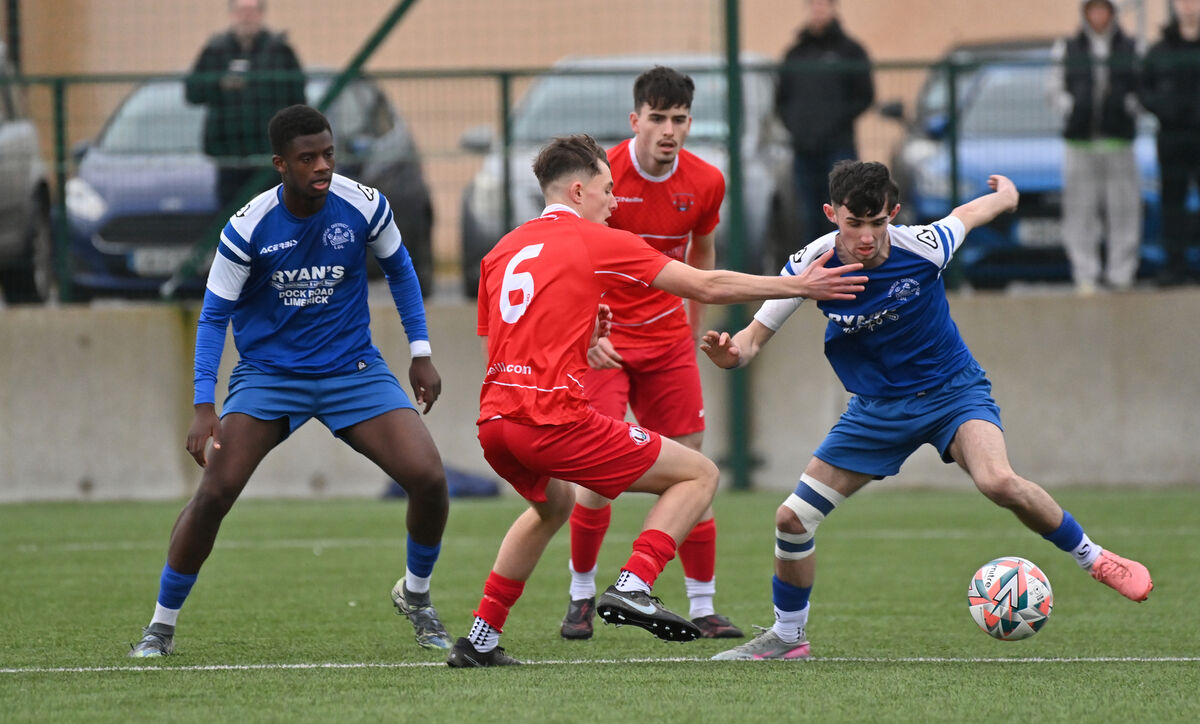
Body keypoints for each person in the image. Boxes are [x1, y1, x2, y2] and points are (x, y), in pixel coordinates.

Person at [702, 160, 1154, 662]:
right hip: (877, 411)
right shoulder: (812, 265)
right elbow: (751, 339)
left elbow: (970, 212)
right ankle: (788, 637)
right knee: (792, 519)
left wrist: (1007, 195)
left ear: (893, 214)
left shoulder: (925, 245)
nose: (867, 237)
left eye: (878, 223)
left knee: (997, 481)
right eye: (854, 223)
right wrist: (731, 354)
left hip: (952, 392)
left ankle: (1095, 558)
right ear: (832, 214)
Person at [448, 134, 867, 667]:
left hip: (495, 421)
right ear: (578, 191)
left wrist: (583, 332)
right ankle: (633, 582)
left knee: (550, 507)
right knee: (699, 474)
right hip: (551, 418)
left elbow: (512, 336)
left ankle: (479, 640)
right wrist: (800, 286)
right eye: (606, 190)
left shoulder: (501, 250)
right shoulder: (597, 239)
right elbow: (707, 283)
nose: (614, 202)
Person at [128, 104, 451, 657]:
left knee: (429, 478)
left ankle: (416, 597)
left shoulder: (364, 205)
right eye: (308, 159)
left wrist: (420, 352)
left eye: (328, 153)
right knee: (216, 491)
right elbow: (212, 317)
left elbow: (400, 269)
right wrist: (204, 404)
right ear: (281, 164)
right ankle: (160, 626)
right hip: (269, 377)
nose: (322, 166)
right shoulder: (247, 227)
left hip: (353, 370)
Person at [558, 66, 741, 642]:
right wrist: (589, 332)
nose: (669, 129)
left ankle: (703, 605)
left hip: (667, 343)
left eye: (679, 119)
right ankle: (581, 596)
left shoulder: (707, 181)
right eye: (657, 118)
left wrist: (693, 331)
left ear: (690, 123)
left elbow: (703, 253)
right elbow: (574, 259)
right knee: (596, 474)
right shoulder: (602, 177)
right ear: (635, 120)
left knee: (693, 468)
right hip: (606, 342)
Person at [1050, 0, 1142, 295]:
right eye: (1094, 9)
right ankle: (1085, 274)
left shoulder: (1131, 47)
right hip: (1080, 143)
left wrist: (1129, 107)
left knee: (1124, 210)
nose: (1099, 15)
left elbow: (1142, 87)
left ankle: (1121, 273)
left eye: (1104, 9)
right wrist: (1072, 108)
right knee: (1079, 211)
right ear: (1086, 12)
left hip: (1119, 142)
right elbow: (1053, 90)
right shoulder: (1067, 48)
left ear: (1112, 13)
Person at [185, 0, 306, 212]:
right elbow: (192, 93)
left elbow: (298, 97)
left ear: (261, 14)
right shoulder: (215, 50)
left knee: (277, 208)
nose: (246, 17)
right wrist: (220, 84)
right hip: (228, 147)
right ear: (232, 15)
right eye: (242, 11)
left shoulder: (279, 50)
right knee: (230, 211)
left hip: (270, 148)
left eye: (252, 11)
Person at [775, 0, 874, 252]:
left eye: (823, 6)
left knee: (842, 211)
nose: (818, 11)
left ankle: (843, 264)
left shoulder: (851, 51)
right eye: (814, 6)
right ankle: (810, 270)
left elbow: (864, 96)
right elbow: (782, 100)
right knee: (806, 214)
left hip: (838, 149)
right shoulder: (795, 53)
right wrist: (796, 127)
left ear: (833, 8)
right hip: (803, 150)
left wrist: (833, 123)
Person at [1142, 0, 1200, 287]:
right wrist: (1166, 110)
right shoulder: (1160, 50)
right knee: (1172, 202)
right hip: (1172, 137)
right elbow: (1144, 89)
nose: (1188, 6)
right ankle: (1174, 266)